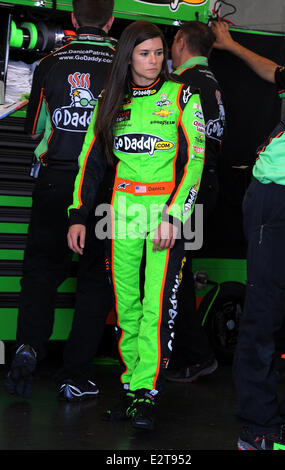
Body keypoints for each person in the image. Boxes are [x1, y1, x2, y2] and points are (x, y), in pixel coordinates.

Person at [67, 19, 205, 430]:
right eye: (145, 53)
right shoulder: (111, 98)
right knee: (125, 304)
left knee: (155, 306)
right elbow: (89, 161)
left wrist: (175, 215)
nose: (154, 60)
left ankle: (146, 391)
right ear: (128, 55)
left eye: (160, 52)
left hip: (165, 211)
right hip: (120, 211)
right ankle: (131, 388)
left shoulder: (183, 94)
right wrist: (77, 215)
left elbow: (195, 161)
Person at [4, 0, 116, 402]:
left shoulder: (51, 61)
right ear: (110, 21)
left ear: (72, 19)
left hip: (55, 178)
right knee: (94, 277)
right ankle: (76, 374)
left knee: (39, 271)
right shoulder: (126, 63)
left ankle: (29, 348)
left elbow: (34, 128)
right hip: (104, 187)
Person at [211, 20, 285, 450]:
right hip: (277, 199)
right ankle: (259, 426)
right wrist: (228, 44)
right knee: (265, 312)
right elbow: (274, 72)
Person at [165, 21, 225, 383]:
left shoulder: (181, 84)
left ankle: (196, 355)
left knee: (175, 274)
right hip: (209, 187)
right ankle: (188, 353)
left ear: (179, 41)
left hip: (188, 190)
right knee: (179, 272)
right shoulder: (213, 82)